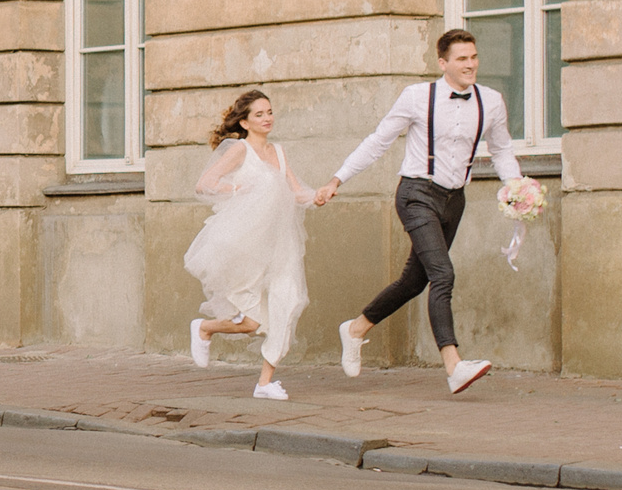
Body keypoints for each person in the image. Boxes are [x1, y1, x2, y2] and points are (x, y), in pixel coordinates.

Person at [310, 29, 519, 395]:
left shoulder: (492, 101)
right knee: (443, 273)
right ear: (443, 63)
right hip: (417, 193)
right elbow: (379, 141)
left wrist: (517, 188)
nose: (470, 65)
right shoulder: (417, 97)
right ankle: (454, 365)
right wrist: (337, 179)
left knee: (415, 281)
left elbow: (501, 151)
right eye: (461, 59)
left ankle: (356, 328)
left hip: (455, 200)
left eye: (473, 57)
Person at [184, 89, 316, 400]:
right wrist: (237, 187)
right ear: (244, 122)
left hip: (280, 247)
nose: (267, 118)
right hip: (244, 247)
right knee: (252, 322)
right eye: (259, 114)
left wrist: (319, 195)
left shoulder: (279, 152)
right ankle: (205, 328)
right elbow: (205, 184)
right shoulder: (240, 151)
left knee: (289, 302)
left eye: (269, 112)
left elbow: (297, 192)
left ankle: (265, 383)